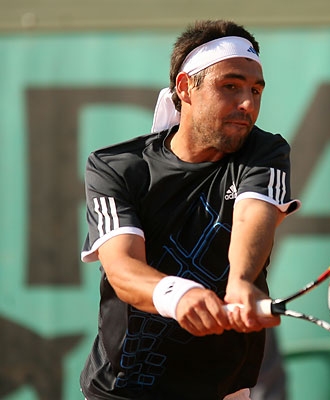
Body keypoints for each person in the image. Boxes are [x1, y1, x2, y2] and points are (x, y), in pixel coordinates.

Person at [79, 20, 300, 400]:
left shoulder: (265, 152)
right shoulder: (116, 167)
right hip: (122, 391)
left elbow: (252, 214)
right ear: (185, 88)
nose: (247, 104)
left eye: (255, 90)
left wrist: (241, 282)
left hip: (223, 390)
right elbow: (122, 268)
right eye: (230, 86)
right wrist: (177, 295)